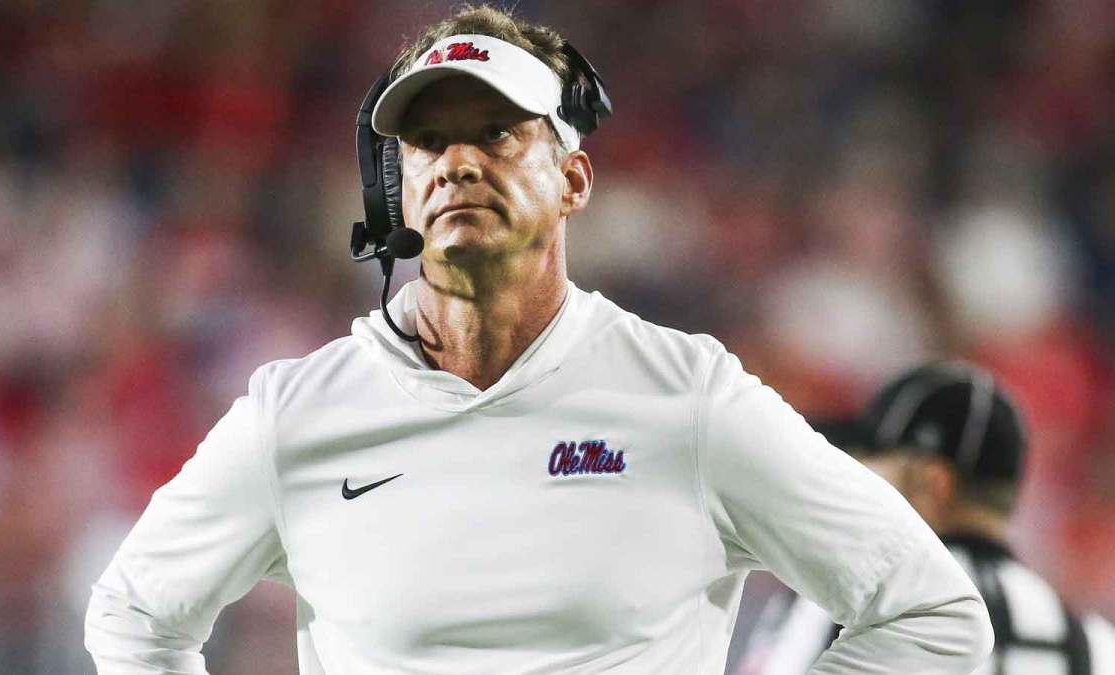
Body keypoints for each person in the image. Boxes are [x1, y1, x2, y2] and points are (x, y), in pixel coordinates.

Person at [84, 6, 993, 673]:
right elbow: (133, 617)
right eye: (429, 141)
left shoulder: (687, 398)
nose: (460, 162)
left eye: (497, 133)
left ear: (574, 179)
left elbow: (933, 614)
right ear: (395, 192)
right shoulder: (295, 413)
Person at [744, 361, 1115, 675]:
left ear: (931, 482)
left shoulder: (836, 609)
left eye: (866, 464)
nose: (847, 480)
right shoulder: (1093, 644)